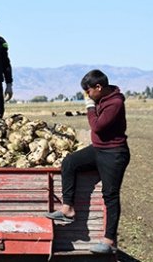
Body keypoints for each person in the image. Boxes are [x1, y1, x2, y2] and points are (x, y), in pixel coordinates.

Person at [46, 70, 131, 254]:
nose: (87, 95)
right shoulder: (102, 98)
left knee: (110, 195)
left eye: (88, 91)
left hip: (114, 153)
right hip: (99, 149)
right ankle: (67, 208)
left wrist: (89, 107)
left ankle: (108, 242)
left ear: (98, 87)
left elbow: (97, 126)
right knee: (70, 162)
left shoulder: (115, 103)